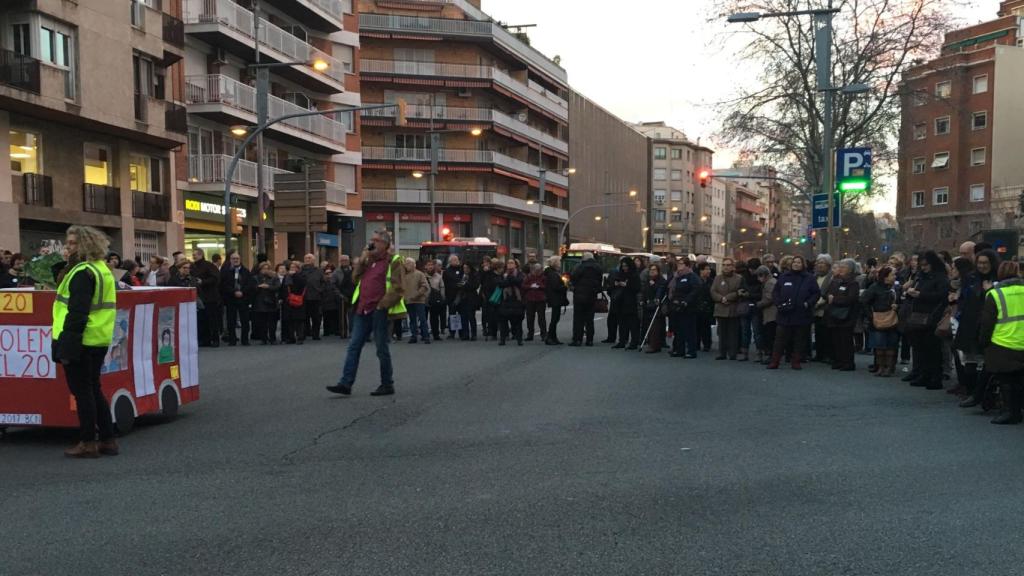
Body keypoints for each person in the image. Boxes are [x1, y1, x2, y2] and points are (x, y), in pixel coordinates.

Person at [52, 225, 119, 458]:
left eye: (72, 243)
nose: (67, 247)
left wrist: (67, 345)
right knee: (93, 388)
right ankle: (108, 439)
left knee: (82, 392)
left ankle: (88, 442)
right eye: (67, 243)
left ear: (84, 245)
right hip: (98, 337)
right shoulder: (100, 269)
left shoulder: (82, 272)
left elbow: (77, 311)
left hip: (79, 338)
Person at [327, 228, 406, 397]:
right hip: (362, 309)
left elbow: (397, 288)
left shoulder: (393, 261)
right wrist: (362, 260)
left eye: (376, 240)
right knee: (354, 346)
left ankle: (387, 383)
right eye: (372, 240)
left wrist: (382, 305)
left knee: (381, 348)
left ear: (385, 244)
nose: (372, 243)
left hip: (379, 310)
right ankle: (345, 383)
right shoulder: (369, 261)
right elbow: (355, 279)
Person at [978, 261, 1024, 424]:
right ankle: (1018, 409)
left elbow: (987, 323)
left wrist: (983, 342)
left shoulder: (995, 294)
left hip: (1002, 342)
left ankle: (1010, 412)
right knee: (1019, 379)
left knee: (1006, 380)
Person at [959, 250, 1000, 407]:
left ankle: (984, 395)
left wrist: (988, 292)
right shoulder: (971, 277)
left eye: (985, 263)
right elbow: (965, 297)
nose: (982, 266)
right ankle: (970, 393)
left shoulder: (997, 279)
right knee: (969, 360)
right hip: (970, 322)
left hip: (988, 323)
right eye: (980, 263)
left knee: (985, 361)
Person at [904, 251, 950, 390]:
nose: (923, 267)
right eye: (921, 265)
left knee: (933, 349)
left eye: (926, 265)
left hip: (933, 315)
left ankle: (935, 377)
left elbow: (941, 295)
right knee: (921, 348)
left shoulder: (940, 277)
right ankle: (924, 375)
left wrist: (921, 294)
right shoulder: (921, 277)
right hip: (919, 315)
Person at [768, 256, 819, 370]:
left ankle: (796, 361)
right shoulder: (784, 277)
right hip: (784, 313)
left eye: (799, 262)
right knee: (780, 339)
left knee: (799, 339)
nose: (796, 264)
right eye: (794, 262)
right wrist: (778, 303)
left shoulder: (809, 278)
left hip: (801, 313)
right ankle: (775, 361)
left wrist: (808, 303)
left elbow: (816, 293)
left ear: (803, 264)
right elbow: (776, 292)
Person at [861, 266, 900, 377]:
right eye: (893, 274)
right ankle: (880, 367)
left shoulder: (896, 287)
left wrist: (898, 306)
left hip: (893, 319)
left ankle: (889, 367)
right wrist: (870, 316)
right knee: (879, 346)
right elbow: (864, 301)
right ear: (886, 277)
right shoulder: (875, 287)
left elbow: (904, 300)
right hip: (878, 319)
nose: (895, 276)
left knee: (891, 345)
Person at [826, 258, 861, 371]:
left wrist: (835, 299)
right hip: (834, 314)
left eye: (843, 267)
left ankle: (848, 362)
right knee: (836, 339)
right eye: (840, 266)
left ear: (850, 269)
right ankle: (838, 360)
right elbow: (828, 293)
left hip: (847, 316)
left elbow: (850, 299)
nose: (840, 269)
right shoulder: (835, 281)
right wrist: (831, 298)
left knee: (845, 340)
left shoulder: (853, 283)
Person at [219, 252, 255, 346]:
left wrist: (242, 292)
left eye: (237, 258)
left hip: (243, 298)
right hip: (231, 298)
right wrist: (234, 292)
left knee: (245, 320)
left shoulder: (246, 271)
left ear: (240, 259)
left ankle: (245, 339)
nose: (235, 260)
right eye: (233, 258)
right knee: (231, 320)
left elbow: (250, 284)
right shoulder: (226, 272)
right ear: (230, 260)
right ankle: (232, 339)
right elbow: (223, 285)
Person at [667, 258, 701, 358]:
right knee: (678, 330)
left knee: (689, 330)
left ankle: (691, 351)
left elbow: (696, 290)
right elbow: (671, 288)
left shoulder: (692, 276)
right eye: (678, 264)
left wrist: (687, 300)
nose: (679, 266)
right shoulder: (676, 276)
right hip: (676, 306)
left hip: (688, 307)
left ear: (687, 265)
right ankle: (679, 350)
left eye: (681, 264)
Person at [711, 258, 742, 360]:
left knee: (733, 333)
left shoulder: (738, 278)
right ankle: (722, 352)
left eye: (728, 265)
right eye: (724, 265)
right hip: (720, 308)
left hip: (733, 308)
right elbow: (713, 291)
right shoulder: (717, 278)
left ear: (733, 266)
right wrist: (721, 298)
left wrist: (728, 298)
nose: (726, 267)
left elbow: (739, 291)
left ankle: (732, 353)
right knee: (722, 332)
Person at [569, 252, 603, 347]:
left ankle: (577, 339)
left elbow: (573, 277)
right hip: (592, 295)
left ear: (584, 258)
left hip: (580, 295)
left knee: (578, 319)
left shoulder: (580, 267)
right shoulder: (598, 267)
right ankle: (590, 340)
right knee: (589, 319)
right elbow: (600, 280)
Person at [191, 248, 221, 347]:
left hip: (210, 297)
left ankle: (215, 340)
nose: (193, 256)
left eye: (195, 254)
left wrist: (203, 281)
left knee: (212, 320)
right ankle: (205, 340)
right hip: (200, 297)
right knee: (202, 320)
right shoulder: (193, 266)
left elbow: (215, 278)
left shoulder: (208, 265)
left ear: (201, 255)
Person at [610, 257, 641, 350]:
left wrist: (627, 285)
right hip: (621, 301)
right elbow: (613, 283)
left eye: (626, 266)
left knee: (633, 324)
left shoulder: (634, 275)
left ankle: (634, 342)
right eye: (623, 266)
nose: (624, 268)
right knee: (622, 323)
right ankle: (622, 341)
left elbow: (637, 288)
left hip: (631, 302)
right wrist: (616, 283)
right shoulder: (621, 274)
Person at [640, 262, 668, 353]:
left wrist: (654, 286)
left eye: (654, 270)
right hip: (648, 304)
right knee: (649, 324)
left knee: (655, 326)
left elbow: (661, 291)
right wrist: (642, 300)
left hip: (657, 306)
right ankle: (652, 343)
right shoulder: (648, 280)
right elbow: (644, 291)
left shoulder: (661, 280)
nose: (652, 272)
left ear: (658, 271)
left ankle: (654, 345)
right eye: (651, 270)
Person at [402, 258, 430, 344]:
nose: (406, 265)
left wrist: (417, 294)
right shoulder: (404, 276)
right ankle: (413, 336)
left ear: (414, 264)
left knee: (422, 319)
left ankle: (426, 336)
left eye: (408, 263)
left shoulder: (419, 274)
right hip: (409, 300)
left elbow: (425, 286)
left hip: (419, 301)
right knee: (412, 319)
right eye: (406, 263)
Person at [498, 259, 526, 346]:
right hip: (506, 300)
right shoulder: (503, 274)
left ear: (516, 265)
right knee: (503, 321)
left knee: (517, 322)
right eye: (508, 263)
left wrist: (509, 278)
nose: (510, 265)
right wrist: (509, 280)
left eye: (512, 263)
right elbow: (501, 284)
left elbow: (520, 283)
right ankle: (502, 339)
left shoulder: (520, 274)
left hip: (517, 300)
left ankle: (519, 339)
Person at [253, 262, 281, 345]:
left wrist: (268, 287)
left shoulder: (274, 277)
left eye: (267, 268)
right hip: (260, 302)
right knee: (262, 322)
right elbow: (252, 288)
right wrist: (259, 287)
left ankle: (272, 338)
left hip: (271, 301)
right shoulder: (256, 278)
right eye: (263, 269)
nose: (265, 270)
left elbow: (278, 287)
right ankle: (263, 338)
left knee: (272, 322)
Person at [812, 255, 834, 364]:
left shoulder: (831, 277)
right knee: (818, 332)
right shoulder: (815, 276)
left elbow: (829, 293)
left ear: (828, 265)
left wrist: (819, 303)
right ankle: (819, 354)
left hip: (825, 308)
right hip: (815, 308)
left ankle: (827, 354)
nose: (820, 265)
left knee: (827, 333)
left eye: (823, 263)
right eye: (818, 263)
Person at [299, 254, 325, 341]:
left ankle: (315, 334)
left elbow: (324, 282)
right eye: (306, 258)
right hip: (304, 297)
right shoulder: (300, 271)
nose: (307, 259)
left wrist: (320, 290)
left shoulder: (319, 270)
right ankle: (305, 333)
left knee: (316, 317)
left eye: (309, 258)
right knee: (304, 317)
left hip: (316, 297)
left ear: (314, 260)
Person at [281, 261, 307, 345]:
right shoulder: (286, 277)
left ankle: (300, 337)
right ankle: (291, 337)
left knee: (299, 321)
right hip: (288, 301)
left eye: (294, 267)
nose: (292, 269)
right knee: (289, 320)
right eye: (291, 267)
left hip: (298, 300)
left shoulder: (301, 276)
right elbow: (283, 288)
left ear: (298, 268)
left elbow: (302, 286)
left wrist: (295, 276)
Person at [543, 256, 567, 345]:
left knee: (556, 318)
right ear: (555, 263)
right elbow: (555, 287)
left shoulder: (552, 272)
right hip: (555, 298)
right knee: (554, 319)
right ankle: (550, 337)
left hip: (554, 298)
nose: (560, 263)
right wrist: (564, 286)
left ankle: (553, 337)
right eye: (559, 262)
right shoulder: (553, 274)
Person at [756, 266, 777, 364]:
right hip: (771, 313)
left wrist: (758, 304)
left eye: (759, 277)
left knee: (770, 336)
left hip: (771, 313)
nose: (758, 279)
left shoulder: (770, 283)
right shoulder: (772, 281)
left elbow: (769, 298)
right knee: (771, 335)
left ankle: (771, 356)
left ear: (763, 275)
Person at [522, 263, 547, 342]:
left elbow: (546, 286)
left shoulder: (543, 277)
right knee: (530, 318)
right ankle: (530, 334)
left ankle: (543, 334)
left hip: (540, 299)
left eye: (538, 270)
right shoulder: (529, 277)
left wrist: (539, 285)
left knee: (541, 318)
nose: (537, 272)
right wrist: (530, 286)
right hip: (530, 299)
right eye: (535, 270)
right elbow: (523, 285)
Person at [442, 255, 465, 339]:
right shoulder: (447, 271)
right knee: (452, 315)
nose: (455, 261)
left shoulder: (462, 269)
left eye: (456, 259)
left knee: (461, 315)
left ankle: (462, 332)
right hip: (451, 296)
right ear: (450, 261)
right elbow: (445, 283)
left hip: (461, 296)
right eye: (453, 260)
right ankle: (452, 333)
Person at [425, 259, 447, 342]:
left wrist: (442, 298)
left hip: (435, 300)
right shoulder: (423, 275)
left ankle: (436, 334)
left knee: (434, 318)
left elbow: (442, 287)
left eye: (432, 265)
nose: (430, 266)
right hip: (424, 300)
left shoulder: (438, 276)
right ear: (426, 266)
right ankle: (424, 334)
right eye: (428, 265)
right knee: (423, 318)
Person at [695, 262, 715, 352]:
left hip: (708, 306)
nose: (708, 271)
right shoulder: (696, 280)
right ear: (701, 271)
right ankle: (696, 344)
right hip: (697, 305)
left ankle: (707, 344)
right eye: (706, 269)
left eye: (709, 269)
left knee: (706, 327)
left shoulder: (711, 281)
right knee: (697, 327)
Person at [336, 255, 356, 339]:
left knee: (352, 316)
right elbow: (333, 285)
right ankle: (343, 333)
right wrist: (340, 295)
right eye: (342, 260)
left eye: (346, 260)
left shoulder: (354, 270)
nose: (344, 262)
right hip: (342, 296)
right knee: (342, 317)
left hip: (353, 296)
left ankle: (353, 332)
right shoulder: (336, 272)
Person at [479, 258, 499, 340]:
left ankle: (492, 329)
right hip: (486, 294)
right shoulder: (484, 272)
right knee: (485, 313)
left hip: (494, 295)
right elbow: (481, 281)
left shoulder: (495, 273)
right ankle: (486, 328)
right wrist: (483, 271)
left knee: (493, 314)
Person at [459, 263, 480, 341]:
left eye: (467, 268)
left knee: (471, 317)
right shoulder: (462, 275)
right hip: (463, 299)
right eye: (464, 268)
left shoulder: (474, 275)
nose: (465, 269)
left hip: (471, 299)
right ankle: (465, 334)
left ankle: (474, 334)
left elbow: (475, 285)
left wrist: (464, 285)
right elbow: (459, 285)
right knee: (463, 317)